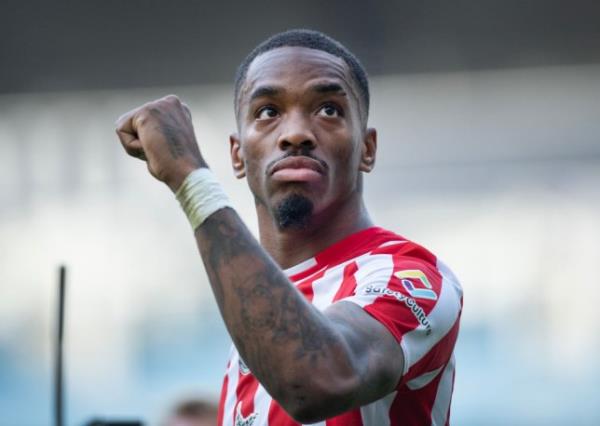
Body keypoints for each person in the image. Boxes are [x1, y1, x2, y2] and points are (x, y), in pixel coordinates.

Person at [116, 29, 463, 426]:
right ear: (237, 154)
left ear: (367, 149)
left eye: (329, 109)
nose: (296, 133)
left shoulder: (408, 274)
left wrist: (192, 181)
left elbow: (317, 381)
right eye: (268, 112)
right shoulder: (256, 322)